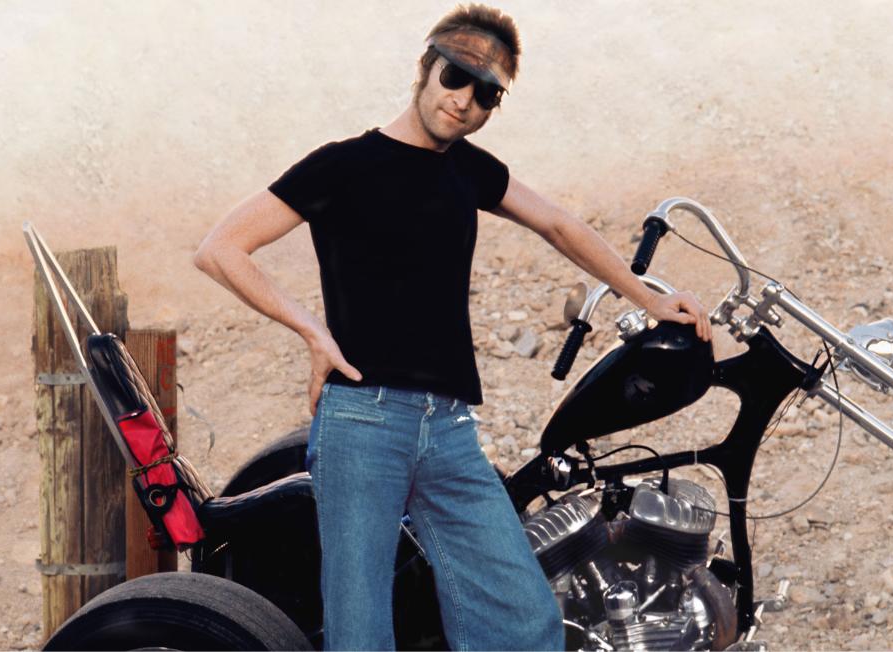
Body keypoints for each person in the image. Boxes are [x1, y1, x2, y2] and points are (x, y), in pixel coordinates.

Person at [194, 4, 712, 650]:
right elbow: (220, 249)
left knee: (524, 621)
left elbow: (559, 224)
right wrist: (311, 332)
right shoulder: (343, 165)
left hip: (449, 432)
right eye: (455, 78)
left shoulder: (467, 169)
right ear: (425, 68)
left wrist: (650, 298)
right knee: (361, 637)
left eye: (486, 94)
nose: (464, 101)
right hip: (362, 423)